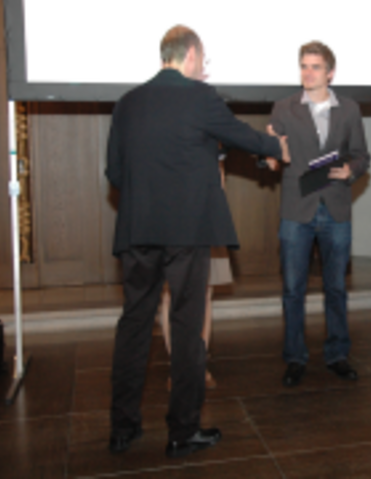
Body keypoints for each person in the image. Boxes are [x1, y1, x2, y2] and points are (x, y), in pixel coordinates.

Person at [105, 25, 289, 458]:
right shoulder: (200, 97)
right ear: (190, 55)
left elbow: (114, 172)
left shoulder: (127, 102)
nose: (203, 67)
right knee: (188, 324)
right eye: (202, 60)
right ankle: (182, 431)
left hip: (138, 229)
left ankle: (122, 428)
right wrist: (275, 145)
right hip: (187, 231)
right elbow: (241, 136)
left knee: (134, 324)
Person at [267, 41, 370, 387]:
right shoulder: (284, 107)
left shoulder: (349, 109)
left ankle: (338, 354)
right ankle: (295, 358)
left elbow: (362, 155)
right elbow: (271, 157)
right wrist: (268, 153)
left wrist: (351, 170)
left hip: (336, 208)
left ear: (330, 73)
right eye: (303, 66)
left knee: (336, 288)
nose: (307, 73)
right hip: (297, 209)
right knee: (293, 289)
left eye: (315, 67)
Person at [160, 155, 232, 390]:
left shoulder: (213, 138)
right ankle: (177, 367)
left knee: (205, 294)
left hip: (207, 218)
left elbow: (220, 179)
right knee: (169, 295)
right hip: (169, 219)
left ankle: (198, 366)